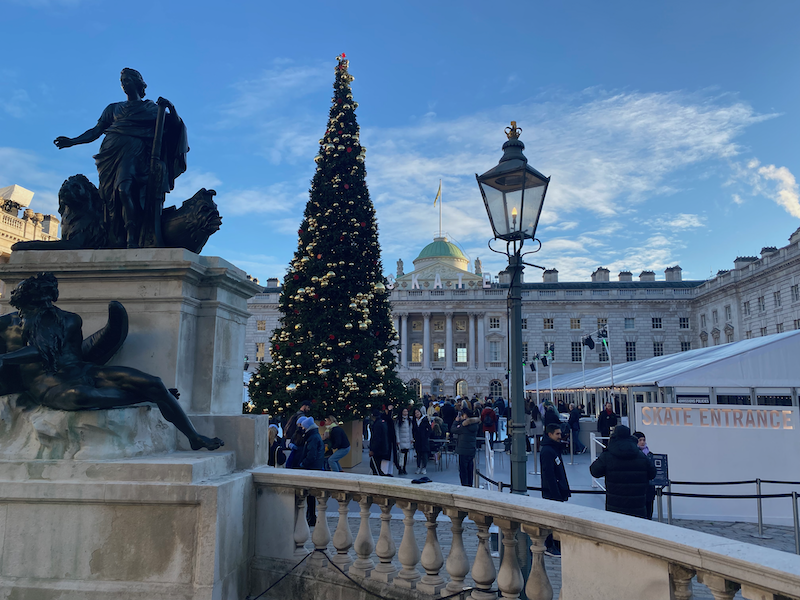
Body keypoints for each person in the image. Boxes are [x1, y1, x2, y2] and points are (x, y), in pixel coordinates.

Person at [0, 272, 222, 452]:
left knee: (154, 381)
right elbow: (39, 353)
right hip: (47, 384)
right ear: (21, 303)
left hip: (83, 370)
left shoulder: (69, 319)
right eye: (32, 305)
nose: (41, 308)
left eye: (46, 301)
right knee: (82, 396)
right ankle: (145, 396)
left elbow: (50, 350)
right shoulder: (7, 325)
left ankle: (194, 437)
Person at [54, 68, 188, 249]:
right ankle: (115, 235)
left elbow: (174, 125)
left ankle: (132, 235)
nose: (124, 84)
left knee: (124, 189)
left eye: (128, 80)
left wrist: (171, 107)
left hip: (134, 153)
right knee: (109, 197)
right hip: (110, 155)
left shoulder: (151, 108)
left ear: (138, 83)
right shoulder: (113, 108)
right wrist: (73, 141)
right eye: (122, 81)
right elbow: (96, 130)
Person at [590, 425, 657, 518]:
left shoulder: (608, 455)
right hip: (638, 506)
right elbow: (652, 473)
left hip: (615, 506)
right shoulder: (641, 456)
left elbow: (594, 471)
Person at [540, 423, 571, 557]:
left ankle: (555, 544)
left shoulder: (553, 449)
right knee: (551, 520)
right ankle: (550, 545)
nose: (560, 436)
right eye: (557, 434)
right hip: (552, 491)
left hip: (557, 490)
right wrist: (556, 493)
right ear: (550, 434)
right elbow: (549, 474)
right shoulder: (548, 451)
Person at [299, 417, 325, 526]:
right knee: (311, 495)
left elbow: (311, 454)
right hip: (315, 466)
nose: (303, 429)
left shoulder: (312, 437)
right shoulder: (315, 435)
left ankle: (311, 517)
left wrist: (303, 464)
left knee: (310, 495)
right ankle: (311, 516)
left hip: (312, 468)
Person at [452, 407, 480, 486]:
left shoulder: (464, 426)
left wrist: (456, 421)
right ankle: (470, 485)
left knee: (463, 470)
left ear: (465, 416)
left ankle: (465, 486)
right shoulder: (474, 425)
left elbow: (453, 430)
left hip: (463, 450)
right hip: (471, 449)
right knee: (470, 469)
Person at [633, 431, 657, 520]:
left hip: (649, 489)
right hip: (638, 490)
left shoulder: (650, 454)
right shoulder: (633, 455)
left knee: (649, 512)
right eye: (640, 440)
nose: (642, 442)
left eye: (644, 440)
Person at [368, 409, 390, 476]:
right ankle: (379, 474)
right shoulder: (382, 423)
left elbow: (376, 438)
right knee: (377, 464)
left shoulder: (377, 424)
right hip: (383, 447)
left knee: (373, 465)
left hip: (378, 448)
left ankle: (378, 477)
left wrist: (372, 449)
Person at [412, 406, 432, 474]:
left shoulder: (425, 420)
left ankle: (424, 467)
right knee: (418, 454)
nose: (417, 414)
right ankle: (418, 467)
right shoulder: (414, 421)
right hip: (417, 440)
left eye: (418, 412)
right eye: (415, 413)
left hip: (424, 440)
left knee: (424, 454)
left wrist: (426, 436)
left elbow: (429, 429)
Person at [395, 407, 413, 475]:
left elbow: (410, 430)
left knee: (405, 456)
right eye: (404, 411)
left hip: (407, 440)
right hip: (401, 440)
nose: (405, 413)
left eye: (406, 411)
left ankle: (404, 468)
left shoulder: (409, 420)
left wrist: (411, 438)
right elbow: (397, 430)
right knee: (401, 455)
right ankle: (400, 468)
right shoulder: (399, 420)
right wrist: (398, 440)